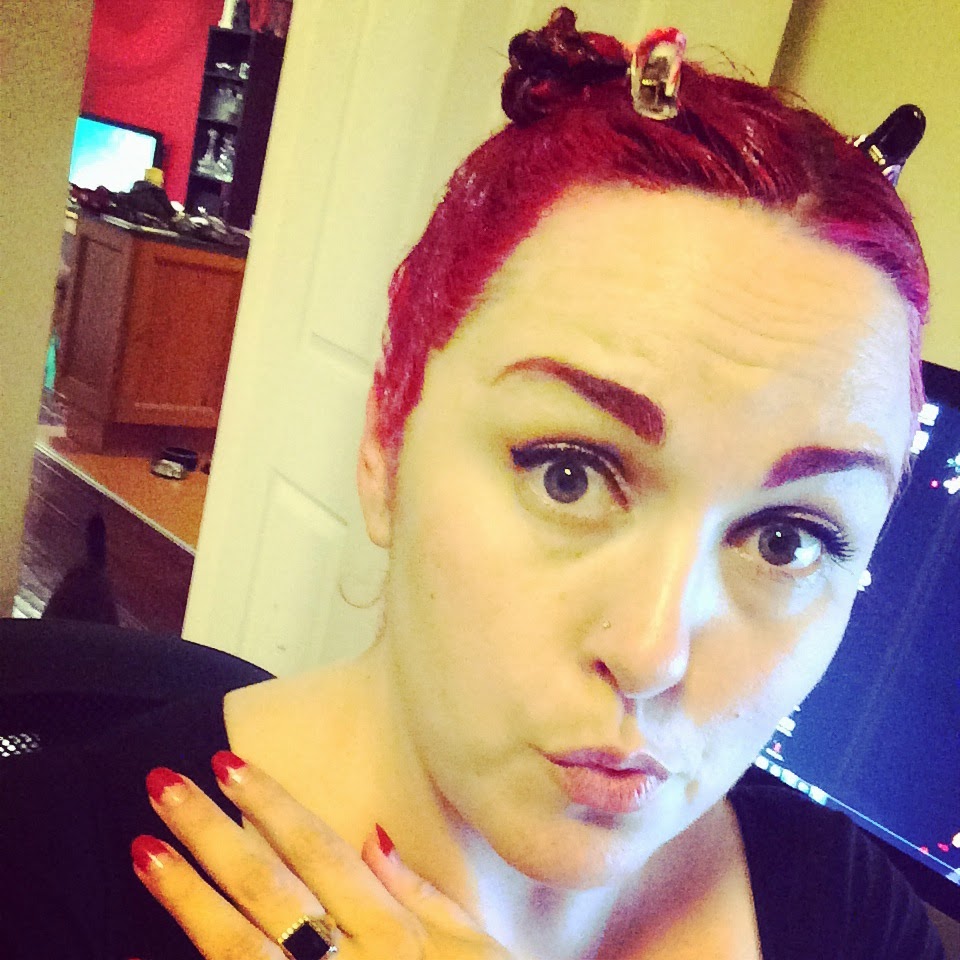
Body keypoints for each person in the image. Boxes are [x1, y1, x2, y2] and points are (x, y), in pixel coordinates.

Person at [0, 9, 945, 960]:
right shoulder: (39, 878)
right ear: (387, 437)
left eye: (788, 539)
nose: (652, 655)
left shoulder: (850, 909)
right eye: (569, 474)